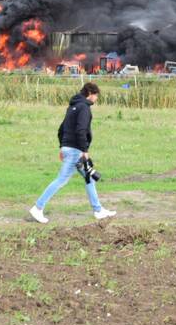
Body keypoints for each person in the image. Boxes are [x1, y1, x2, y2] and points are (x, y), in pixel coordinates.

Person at [29, 82, 115, 223]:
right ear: (90, 93)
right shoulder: (84, 108)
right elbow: (81, 130)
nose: (96, 99)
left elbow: (61, 129)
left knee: (89, 178)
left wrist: (62, 147)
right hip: (76, 150)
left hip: (68, 148)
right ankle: (38, 208)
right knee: (61, 180)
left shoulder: (72, 107)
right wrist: (84, 150)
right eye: (96, 95)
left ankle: (98, 210)